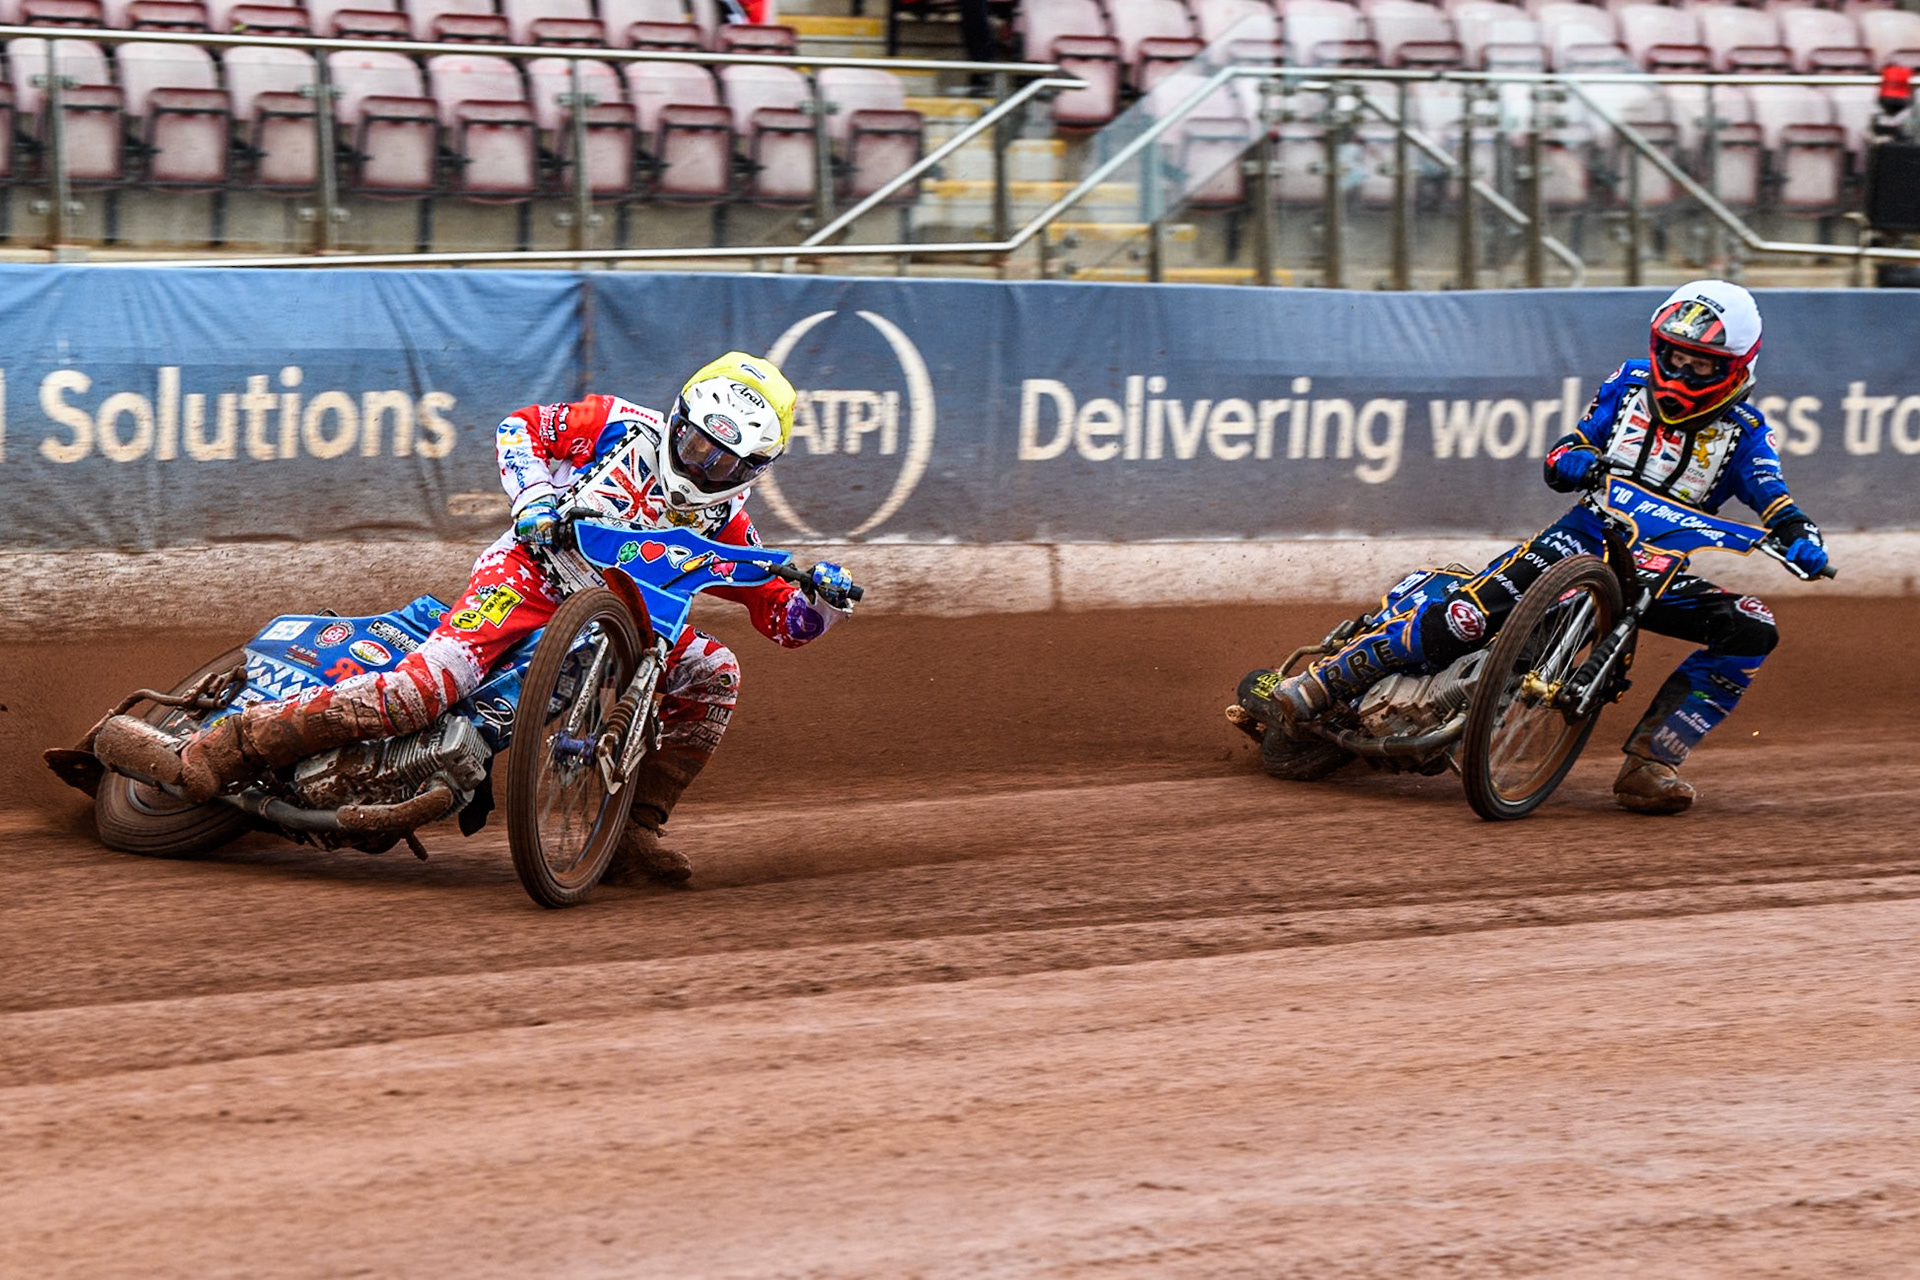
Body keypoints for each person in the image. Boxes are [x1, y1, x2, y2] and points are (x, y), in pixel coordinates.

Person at [109, 352, 855, 884]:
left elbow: (783, 620)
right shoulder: (618, 426)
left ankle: (632, 832)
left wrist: (819, 606)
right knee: (420, 691)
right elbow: (519, 428)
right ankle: (229, 747)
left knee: (716, 669)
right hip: (531, 573)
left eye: (725, 462)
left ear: (755, 469)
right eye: (696, 442)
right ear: (679, 417)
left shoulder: (733, 528)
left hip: (626, 626)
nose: (702, 465)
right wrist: (534, 499)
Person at [1270, 280, 1829, 815]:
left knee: (1752, 626)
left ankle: (1652, 762)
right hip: (1579, 537)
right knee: (1466, 617)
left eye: (1700, 364)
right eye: (1673, 355)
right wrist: (1572, 457)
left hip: (1657, 570)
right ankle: (1329, 679)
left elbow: (1772, 495)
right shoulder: (1629, 382)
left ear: (1736, 368)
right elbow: (1574, 443)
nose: (1681, 371)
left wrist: (1801, 535)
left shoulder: (1748, 430)